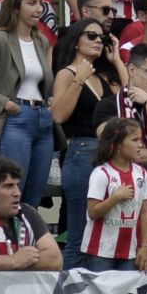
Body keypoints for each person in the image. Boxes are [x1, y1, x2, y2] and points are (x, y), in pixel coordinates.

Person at [0, 0, 56, 203]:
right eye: (31, 3)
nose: (38, 8)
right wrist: (6, 104)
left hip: (42, 118)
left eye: (40, 3)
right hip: (15, 117)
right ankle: (7, 238)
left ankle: (27, 237)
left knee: (35, 193)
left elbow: (44, 82)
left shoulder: (40, 39)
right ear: (16, 6)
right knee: (12, 192)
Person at [51, 17, 123, 267]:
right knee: (79, 235)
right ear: (75, 42)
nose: (97, 41)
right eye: (91, 36)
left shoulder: (103, 76)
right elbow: (58, 115)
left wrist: (117, 61)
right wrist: (79, 78)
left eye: (101, 37)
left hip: (109, 155)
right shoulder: (67, 73)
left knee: (104, 236)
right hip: (81, 151)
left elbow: (127, 100)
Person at [81, 118, 147, 272]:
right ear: (118, 145)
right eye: (135, 140)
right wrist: (115, 197)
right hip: (100, 251)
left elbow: (144, 213)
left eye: (140, 139)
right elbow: (92, 212)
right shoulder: (101, 173)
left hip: (130, 251)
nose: (141, 145)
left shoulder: (142, 173)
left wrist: (145, 246)